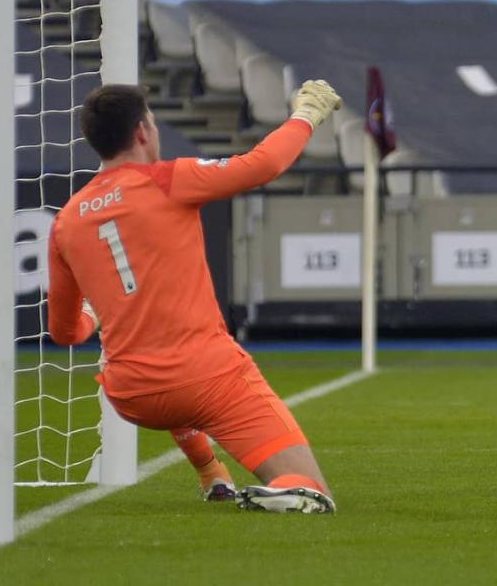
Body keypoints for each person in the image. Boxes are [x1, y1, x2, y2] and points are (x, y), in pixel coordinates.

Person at [48, 80, 343, 512]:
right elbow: (263, 164)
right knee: (312, 492)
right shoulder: (168, 179)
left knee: (159, 351)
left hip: (132, 396)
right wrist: (306, 115)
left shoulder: (66, 221)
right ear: (143, 132)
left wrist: (93, 314)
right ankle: (273, 495)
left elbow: (64, 332)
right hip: (207, 381)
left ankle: (211, 473)